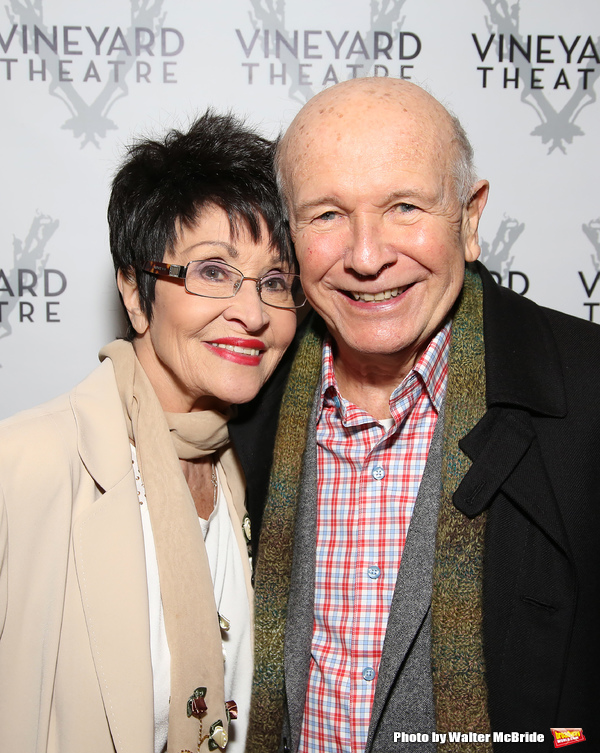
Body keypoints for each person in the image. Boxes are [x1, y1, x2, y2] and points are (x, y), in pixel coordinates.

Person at [244, 78, 600, 752]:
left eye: (404, 206)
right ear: (288, 238)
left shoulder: (586, 397)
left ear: (469, 219)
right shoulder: (245, 406)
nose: (368, 255)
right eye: (326, 215)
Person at [0, 111, 302, 753]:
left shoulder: (262, 465)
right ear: (137, 296)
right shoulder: (28, 465)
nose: (252, 313)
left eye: (275, 280)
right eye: (212, 271)